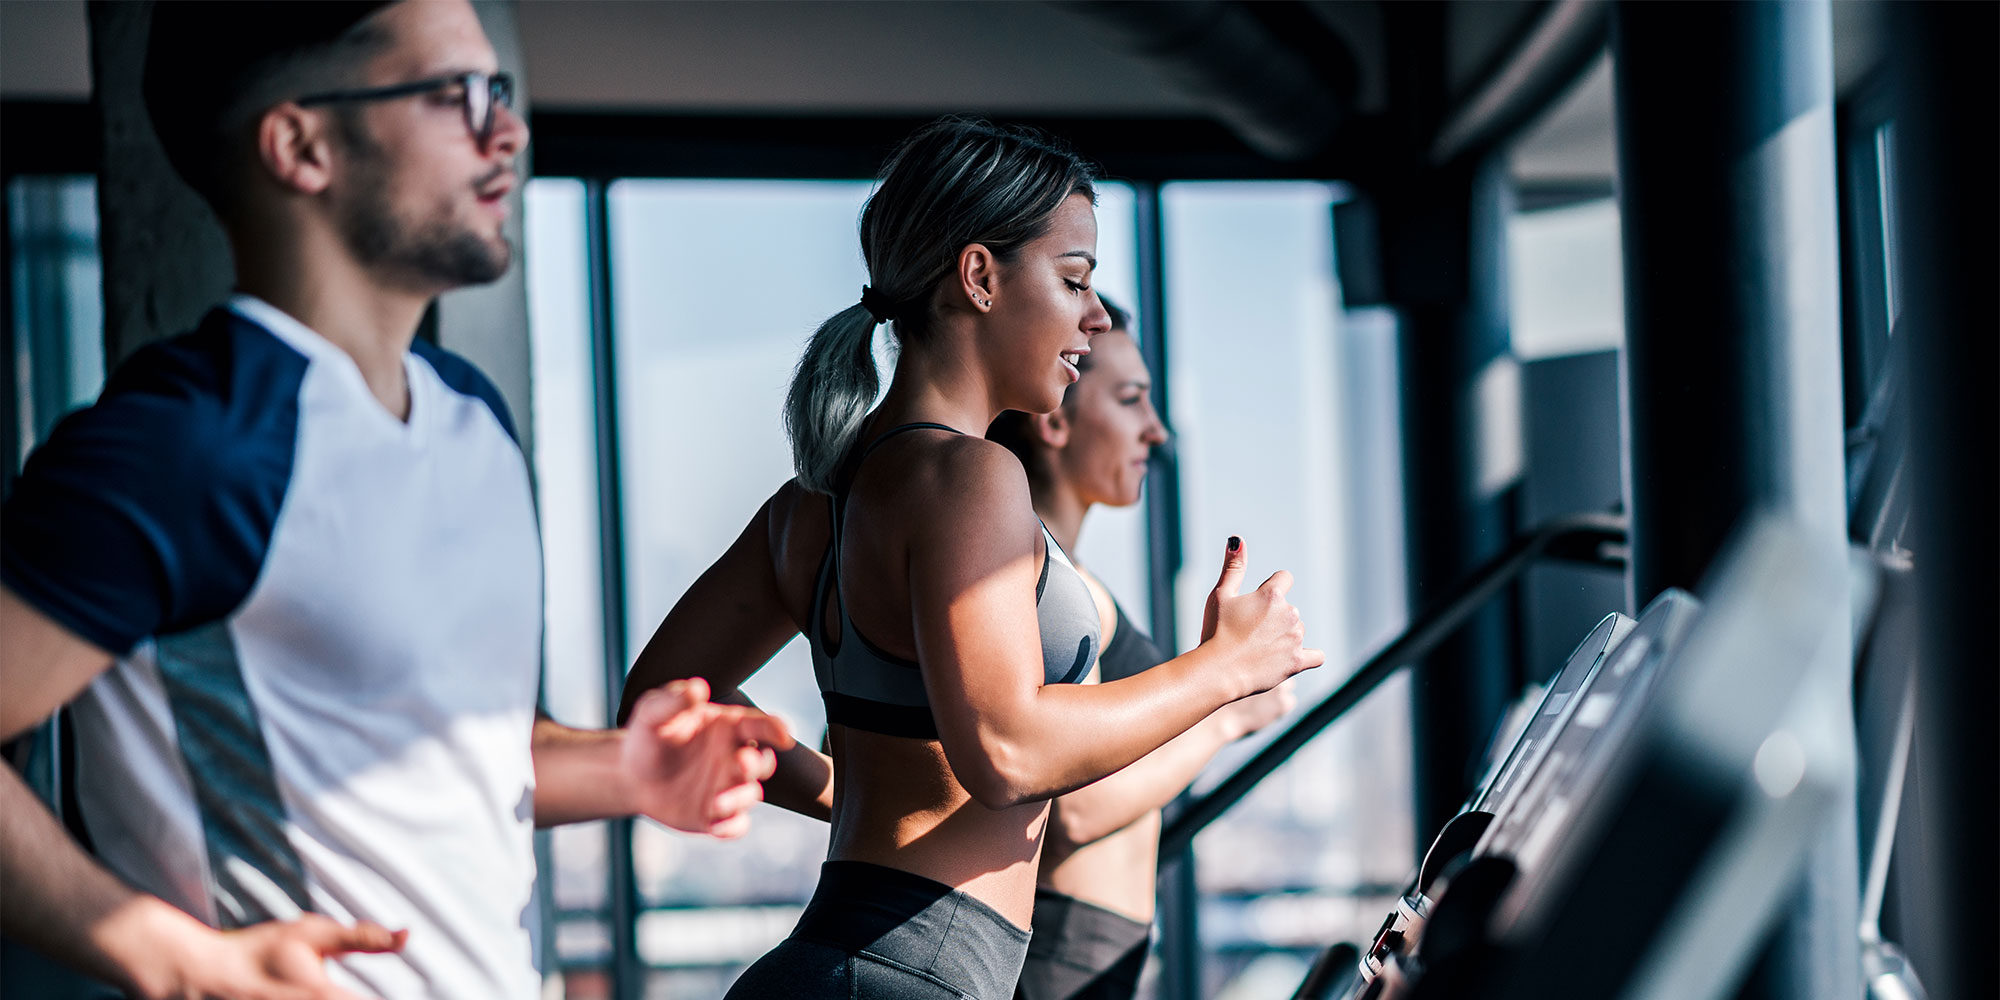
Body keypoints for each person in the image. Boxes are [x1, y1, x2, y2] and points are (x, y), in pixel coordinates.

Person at [0, 3, 789, 998]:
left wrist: (627, 772)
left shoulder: (471, 419)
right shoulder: (185, 445)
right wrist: (179, 961)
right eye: (451, 95)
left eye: (497, 90)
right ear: (302, 144)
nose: (504, 131)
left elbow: (451, 748)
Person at [618, 119, 1323, 1000]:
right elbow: (1005, 749)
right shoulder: (972, 476)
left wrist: (835, 787)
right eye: (1073, 281)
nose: (1094, 317)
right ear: (980, 276)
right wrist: (1224, 671)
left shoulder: (813, 501)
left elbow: (658, 696)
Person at [986, 297, 1296, 1000]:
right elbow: (1074, 810)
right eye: (1131, 400)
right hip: (1062, 954)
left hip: (1087, 950)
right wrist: (1227, 706)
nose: (1156, 432)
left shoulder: (1065, 581)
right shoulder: (1042, 588)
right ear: (1056, 418)